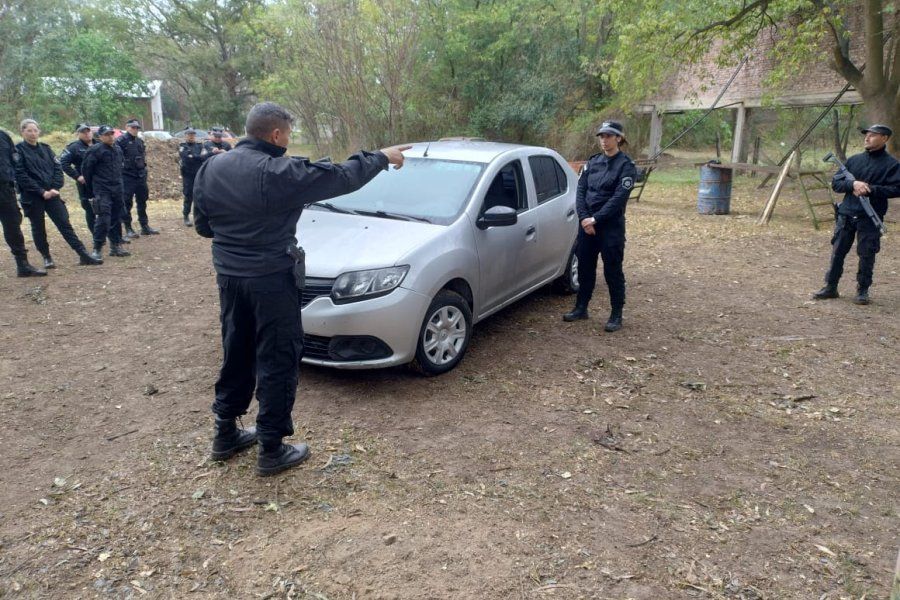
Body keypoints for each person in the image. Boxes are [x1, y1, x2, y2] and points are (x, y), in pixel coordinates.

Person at [193, 101, 410, 476]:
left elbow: (203, 226)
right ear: (276, 135)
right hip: (271, 279)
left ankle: (224, 432)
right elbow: (342, 177)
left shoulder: (212, 166)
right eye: (288, 135)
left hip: (230, 277)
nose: (289, 142)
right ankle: (272, 448)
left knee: (237, 348)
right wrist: (381, 157)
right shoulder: (277, 171)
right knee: (277, 356)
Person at [813, 124, 900, 305]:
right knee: (838, 252)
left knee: (867, 253)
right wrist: (852, 185)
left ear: (884, 138)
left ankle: (863, 290)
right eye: (866, 135)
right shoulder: (853, 160)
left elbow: (897, 189)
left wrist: (870, 189)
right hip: (846, 214)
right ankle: (831, 286)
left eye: (872, 135)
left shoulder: (892, 165)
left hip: (870, 217)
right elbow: (836, 184)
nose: (867, 138)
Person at [563, 120, 637, 332]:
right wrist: (585, 219)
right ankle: (581, 307)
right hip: (587, 227)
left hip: (610, 228)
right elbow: (581, 192)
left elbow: (618, 199)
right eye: (602, 136)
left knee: (612, 271)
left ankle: (616, 314)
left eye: (609, 136)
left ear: (619, 138)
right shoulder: (592, 163)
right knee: (585, 267)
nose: (604, 140)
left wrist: (595, 220)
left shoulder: (626, 167)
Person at [14, 119, 101, 268]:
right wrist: (41, 192)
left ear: (39, 131)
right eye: (29, 130)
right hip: (33, 196)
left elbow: (58, 169)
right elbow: (21, 176)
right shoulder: (18, 151)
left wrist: (55, 188)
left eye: (35, 130)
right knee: (38, 227)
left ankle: (82, 254)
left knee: (65, 224)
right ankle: (47, 257)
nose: (33, 133)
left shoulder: (46, 149)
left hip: (52, 194)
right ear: (22, 132)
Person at [0, 127, 45, 277]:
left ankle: (23, 265)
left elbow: (14, 160)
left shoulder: (3, 136)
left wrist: (12, 181)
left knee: (13, 225)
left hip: (5, 189)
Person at [82, 125, 131, 260]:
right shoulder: (95, 150)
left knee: (116, 217)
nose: (110, 136)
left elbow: (120, 168)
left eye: (111, 134)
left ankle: (115, 246)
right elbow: (87, 171)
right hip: (102, 189)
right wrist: (93, 189)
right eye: (107, 134)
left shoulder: (117, 149)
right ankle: (97, 248)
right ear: (100, 136)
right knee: (103, 218)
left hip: (117, 188)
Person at [116, 119, 159, 237]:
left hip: (140, 176)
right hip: (127, 177)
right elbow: (117, 159)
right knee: (127, 203)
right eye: (133, 127)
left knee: (142, 201)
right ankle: (128, 228)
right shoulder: (120, 141)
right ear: (127, 127)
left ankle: (144, 226)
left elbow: (142, 157)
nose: (135, 130)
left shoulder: (139, 141)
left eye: (137, 128)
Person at [59, 123, 97, 232]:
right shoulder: (73, 147)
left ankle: (109, 234)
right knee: (90, 210)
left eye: (88, 131)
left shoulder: (99, 144)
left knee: (106, 208)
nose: (86, 134)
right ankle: (96, 236)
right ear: (78, 134)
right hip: (86, 185)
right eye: (83, 132)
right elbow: (63, 163)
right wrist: (77, 176)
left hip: (101, 183)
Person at [178, 127, 204, 227]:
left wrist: (193, 156)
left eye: (193, 134)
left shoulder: (199, 145)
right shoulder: (182, 146)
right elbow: (185, 157)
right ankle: (186, 216)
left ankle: (199, 216)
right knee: (188, 196)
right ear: (185, 135)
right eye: (189, 134)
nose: (191, 136)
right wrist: (196, 157)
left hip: (198, 174)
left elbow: (203, 157)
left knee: (199, 196)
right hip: (188, 175)